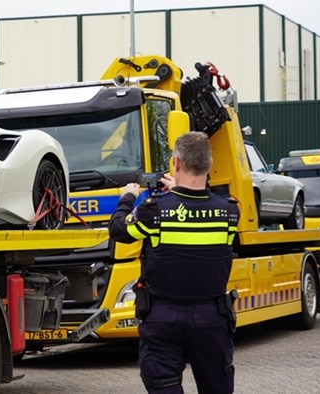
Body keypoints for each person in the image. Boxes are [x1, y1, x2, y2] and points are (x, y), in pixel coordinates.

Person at [108, 131, 240, 394]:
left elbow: (119, 230)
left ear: (176, 163)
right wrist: (179, 194)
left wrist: (128, 198)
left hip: (163, 318)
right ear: (210, 165)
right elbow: (199, 207)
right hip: (211, 318)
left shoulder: (155, 210)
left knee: (163, 386)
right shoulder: (230, 211)